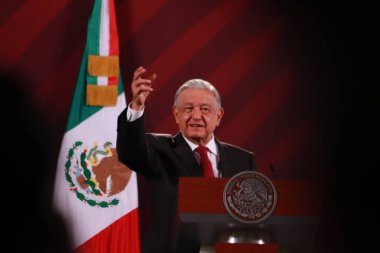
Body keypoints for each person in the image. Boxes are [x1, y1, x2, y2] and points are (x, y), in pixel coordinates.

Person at [116, 66, 257, 253]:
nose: (196, 116)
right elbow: (130, 153)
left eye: (205, 109)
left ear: (219, 116)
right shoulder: (159, 149)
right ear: (176, 114)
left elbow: (253, 214)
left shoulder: (243, 160)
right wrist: (137, 106)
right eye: (188, 109)